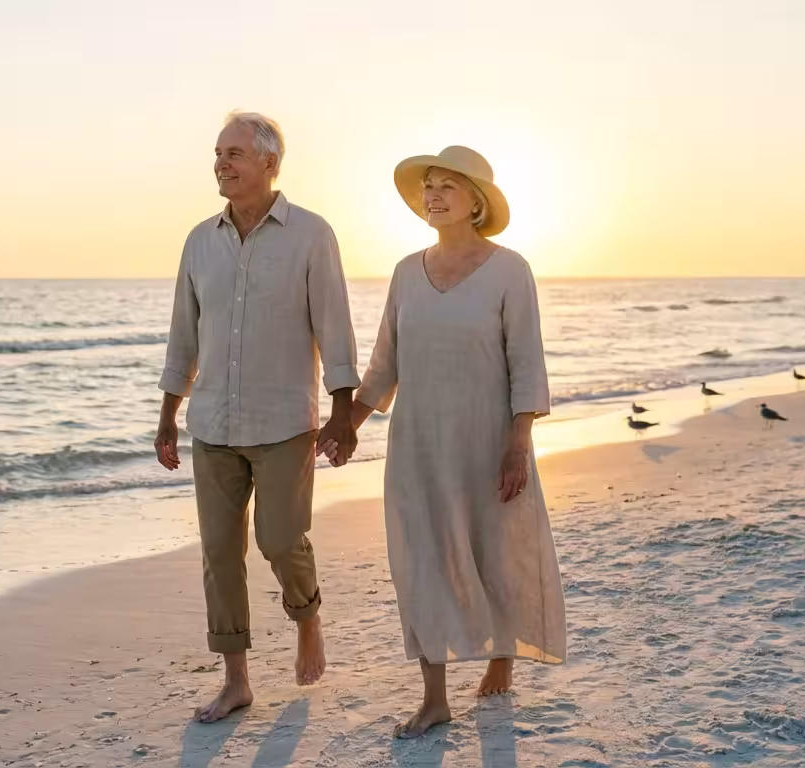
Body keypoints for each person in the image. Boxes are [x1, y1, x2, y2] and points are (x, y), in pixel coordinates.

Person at [321, 146, 566, 738]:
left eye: (447, 185)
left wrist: (519, 441)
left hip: (487, 438)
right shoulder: (407, 271)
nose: (432, 194)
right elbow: (384, 365)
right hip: (417, 444)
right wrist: (345, 424)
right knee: (422, 560)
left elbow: (525, 362)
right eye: (428, 185)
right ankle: (434, 697)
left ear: (476, 200)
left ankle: (500, 655)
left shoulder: (511, 270)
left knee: (495, 550)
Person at [155, 111, 360, 724]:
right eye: (218, 153)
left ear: (270, 162)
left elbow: (335, 325)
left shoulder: (311, 235)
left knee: (278, 538)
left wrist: (342, 413)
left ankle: (307, 616)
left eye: (235, 153)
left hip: (283, 424)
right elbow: (182, 337)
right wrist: (168, 416)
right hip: (212, 424)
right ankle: (236, 680)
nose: (222, 163)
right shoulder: (199, 240)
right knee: (219, 553)